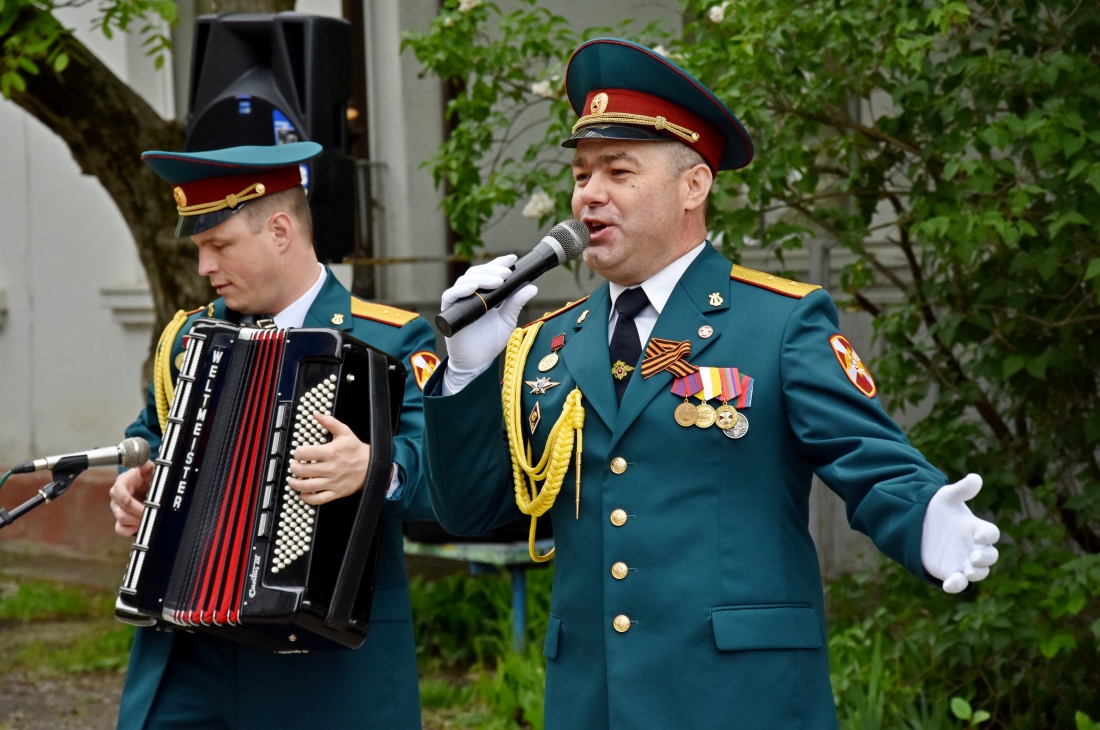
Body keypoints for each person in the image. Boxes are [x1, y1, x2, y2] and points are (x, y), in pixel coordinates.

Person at [420, 38, 1000, 729]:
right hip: (593, 703)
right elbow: (469, 511)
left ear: (693, 186)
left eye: (618, 170)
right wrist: (466, 371)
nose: (588, 195)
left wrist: (923, 513)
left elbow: (866, 456)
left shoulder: (776, 322)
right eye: (581, 174)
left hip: (738, 699)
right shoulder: (548, 344)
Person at [108, 142, 439, 730]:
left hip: (321, 664)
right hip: (188, 647)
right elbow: (152, 433)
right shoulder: (191, 338)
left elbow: (440, 473)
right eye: (200, 249)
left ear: (280, 230)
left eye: (219, 245)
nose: (204, 267)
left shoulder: (391, 340)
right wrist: (139, 482)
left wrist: (373, 468)